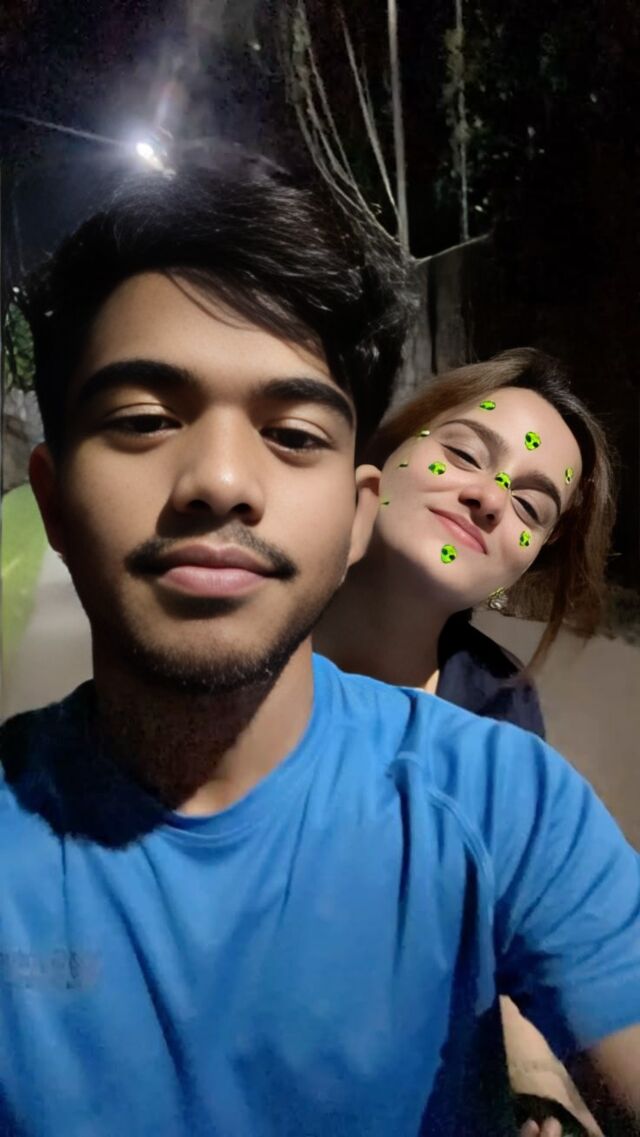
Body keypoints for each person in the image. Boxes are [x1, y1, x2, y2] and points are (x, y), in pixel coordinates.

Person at [1, 157, 639, 1137]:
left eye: (294, 435)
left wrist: (531, 1068)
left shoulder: (502, 777)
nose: (221, 478)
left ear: (352, 504)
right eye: (144, 420)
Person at [315, 349, 616, 1135]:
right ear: (384, 454)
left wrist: (538, 1081)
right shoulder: (243, 631)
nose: (487, 498)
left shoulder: (499, 709)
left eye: (531, 507)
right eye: (463, 453)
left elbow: (513, 933)